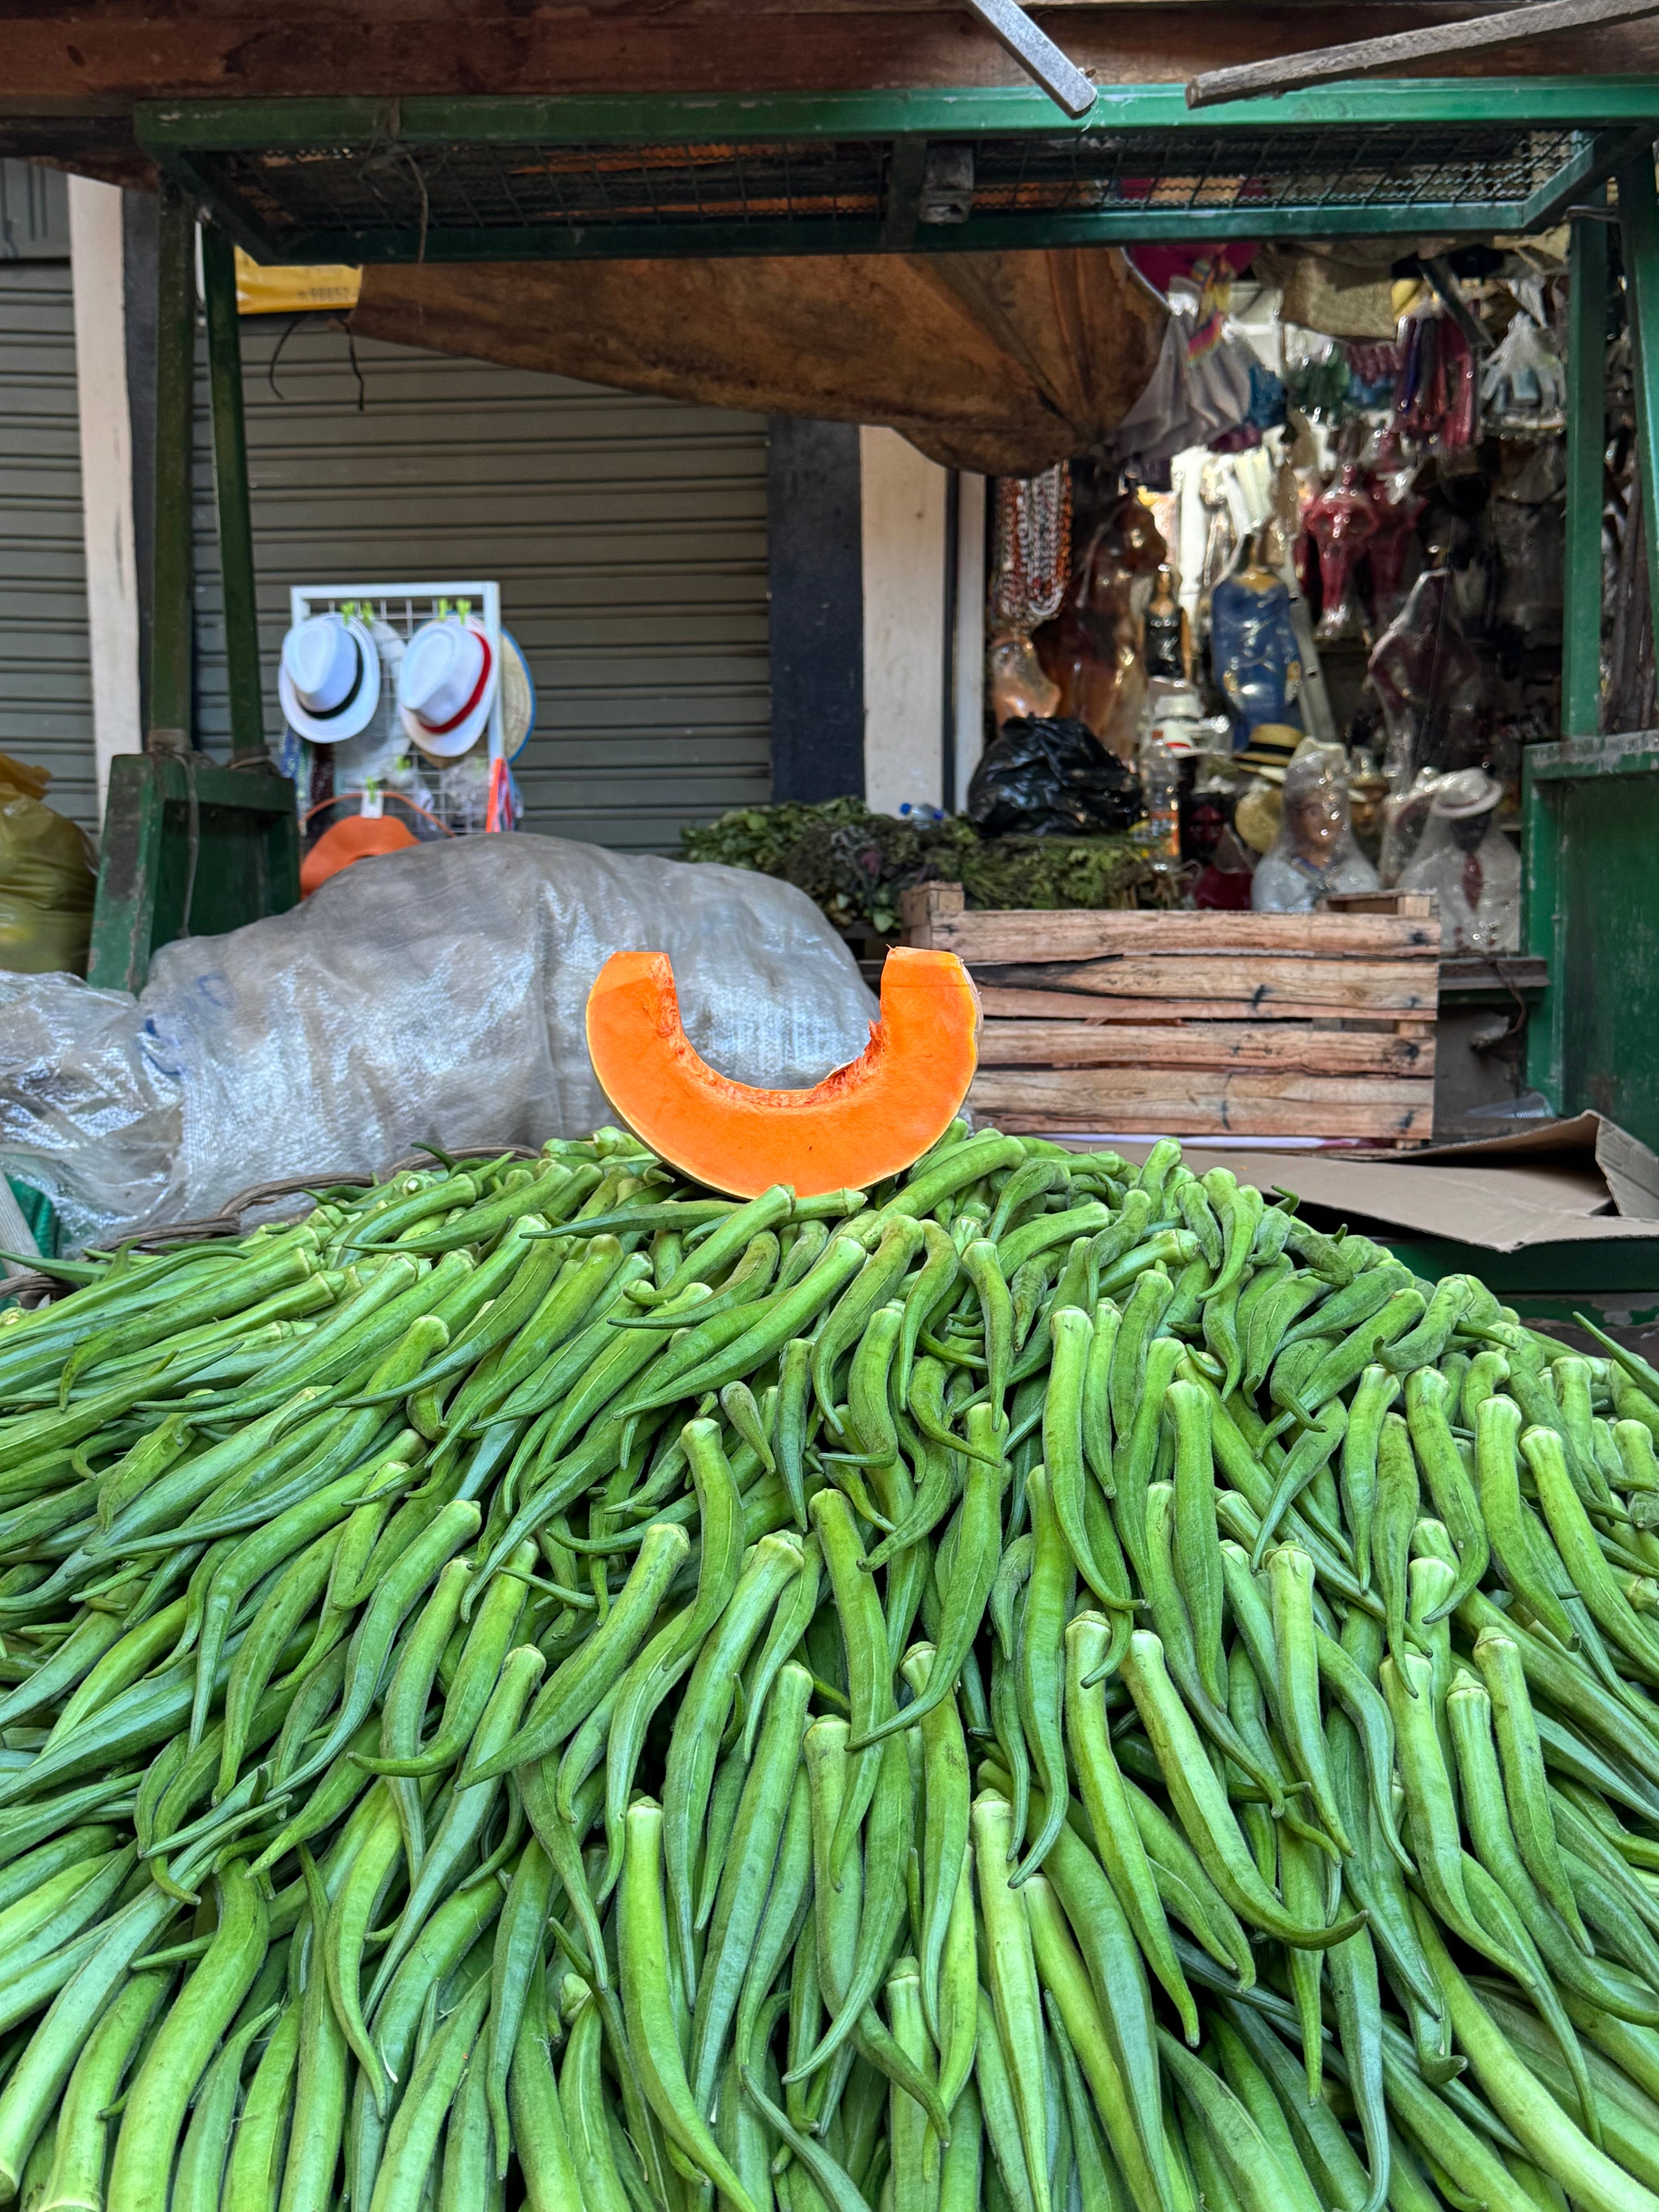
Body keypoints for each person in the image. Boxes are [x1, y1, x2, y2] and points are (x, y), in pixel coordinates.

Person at [1398, 767, 1520, 951]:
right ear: (1449, 822)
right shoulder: (1421, 878)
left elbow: (1521, 922)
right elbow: (1411, 936)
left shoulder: (1513, 867)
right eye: (1465, 822)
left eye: (1481, 818)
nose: (1475, 828)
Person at [1251, 744, 1380, 912]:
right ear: (1294, 816)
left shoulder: (1360, 875)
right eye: (1314, 811)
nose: (1326, 820)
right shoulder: (1273, 876)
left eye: (1334, 810)